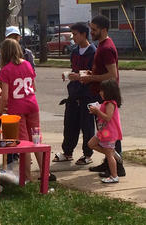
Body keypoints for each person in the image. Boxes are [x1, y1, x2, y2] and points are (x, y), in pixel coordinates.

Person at [79, 15, 126, 177]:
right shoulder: (102, 45)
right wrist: (93, 73)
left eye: (94, 29)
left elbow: (112, 75)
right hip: (100, 93)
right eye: (91, 28)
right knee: (103, 131)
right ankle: (108, 162)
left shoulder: (106, 48)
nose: (91, 32)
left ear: (104, 30)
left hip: (106, 95)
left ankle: (117, 166)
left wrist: (91, 78)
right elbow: (105, 72)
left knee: (110, 131)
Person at [0, 38, 45, 182]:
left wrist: (0, 110)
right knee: (36, 140)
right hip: (32, 104)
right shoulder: (28, 65)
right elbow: (34, 87)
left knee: (24, 142)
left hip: (17, 108)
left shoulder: (6, 70)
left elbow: (5, 96)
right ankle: (45, 173)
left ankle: (27, 176)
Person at [52, 22, 97, 165]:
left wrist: (79, 76)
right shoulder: (75, 51)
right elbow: (74, 69)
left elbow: (94, 73)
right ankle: (67, 152)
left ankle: (87, 154)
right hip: (73, 93)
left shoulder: (93, 52)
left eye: (75, 34)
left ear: (84, 34)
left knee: (87, 126)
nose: (73, 37)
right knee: (70, 124)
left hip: (87, 94)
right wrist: (70, 75)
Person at [88, 80, 123, 183]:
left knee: (108, 155)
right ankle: (113, 153)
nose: (100, 92)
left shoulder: (111, 104)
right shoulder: (105, 103)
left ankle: (114, 176)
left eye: (102, 90)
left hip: (109, 132)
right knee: (91, 144)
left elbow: (108, 118)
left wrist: (97, 111)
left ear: (109, 92)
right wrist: (97, 109)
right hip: (103, 131)